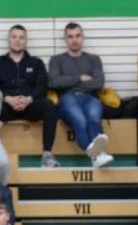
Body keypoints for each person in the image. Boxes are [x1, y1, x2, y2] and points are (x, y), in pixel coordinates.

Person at [0, 24, 59, 168]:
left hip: (30, 106)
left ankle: (47, 155)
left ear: (26, 41)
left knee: (49, 106)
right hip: (5, 107)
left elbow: (42, 88)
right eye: (14, 37)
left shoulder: (36, 63)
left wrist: (28, 99)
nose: (17, 40)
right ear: (8, 40)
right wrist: (8, 98)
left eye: (21, 37)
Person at [48, 22, 113, 168]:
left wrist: (68, 83)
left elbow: (98, 83)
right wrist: (80, 78)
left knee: (94, 119)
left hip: (90, 98)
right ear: (65, 39)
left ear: (83, 37)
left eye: (78, 36)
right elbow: (53, 82)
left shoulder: (94, 59)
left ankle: (96, 156)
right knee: (80, 121)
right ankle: (98, 155)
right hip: (68, 99)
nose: (74, 40)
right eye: (70, 36)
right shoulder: (56, 60)